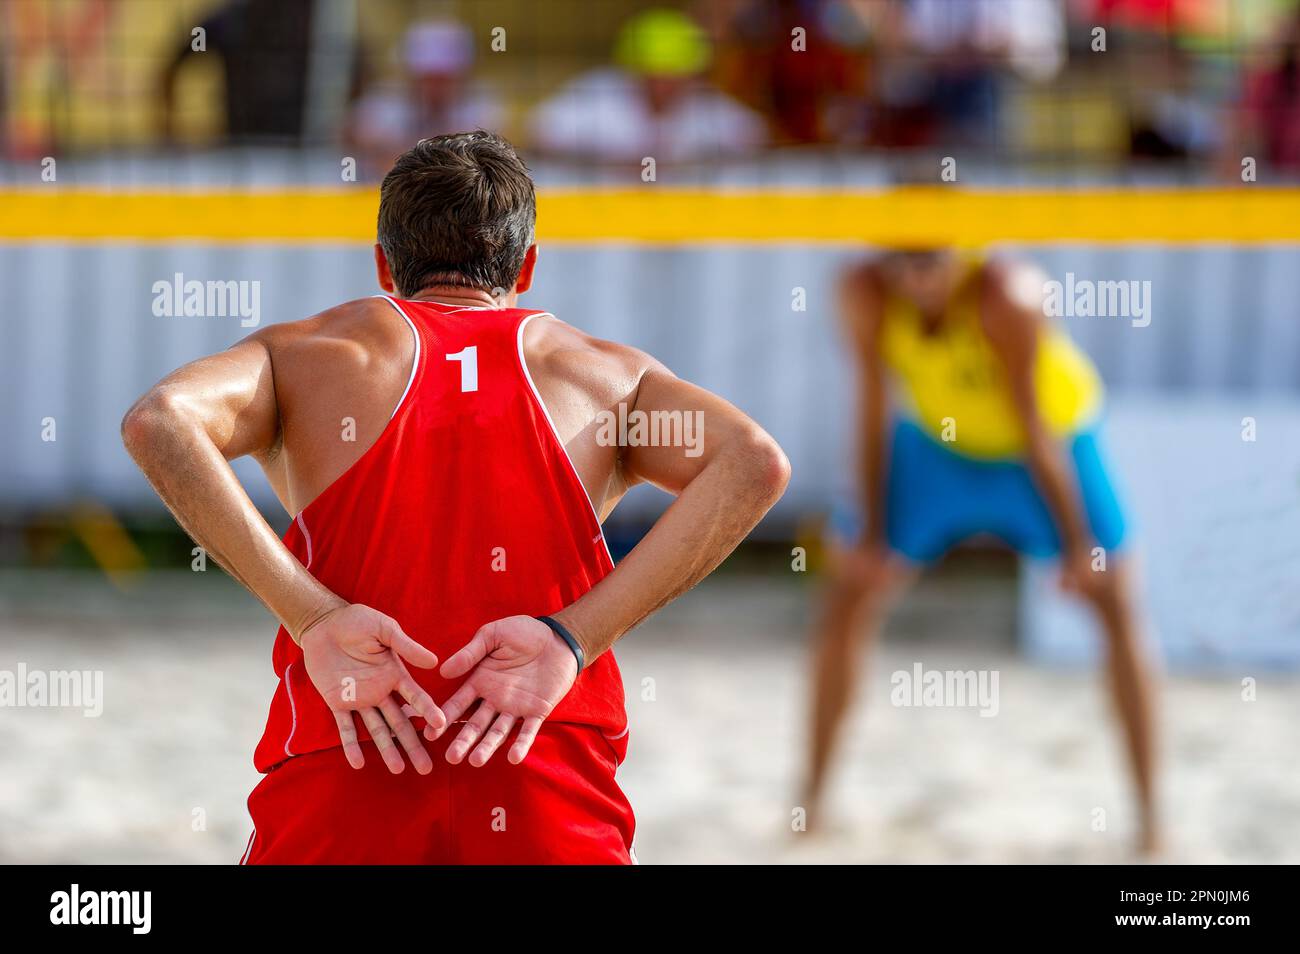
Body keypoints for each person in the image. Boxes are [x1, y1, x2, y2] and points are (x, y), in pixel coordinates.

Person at [121, 131, 789, 864]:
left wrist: (312, 617)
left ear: (384, 263)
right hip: (542, 760)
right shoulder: (605, 375)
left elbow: (159, 422)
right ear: (527, 266)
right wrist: (575, 637)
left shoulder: (309, 355)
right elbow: (753, 464)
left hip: (350, 754)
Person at [801, 248, 1159, 854]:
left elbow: (1032, 420)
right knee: (848, 593)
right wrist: (868, 532)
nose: (916, 274)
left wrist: (1077, 547)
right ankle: (810, 806)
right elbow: (871, 405)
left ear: (960, 252)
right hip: (942, 447)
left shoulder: (1006, 293)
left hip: (1042, 446)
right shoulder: (866, 288)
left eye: (930, 258)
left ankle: (1151, 821)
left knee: (1115, 598)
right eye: (903, 258)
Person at [527, 8, 767, 163]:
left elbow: (757, 137)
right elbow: (538, 134)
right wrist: (612, 159)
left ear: (692, 77)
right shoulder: (599, 94)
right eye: (652, 75)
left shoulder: (705, 106)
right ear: (631, 70)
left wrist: (689, 161)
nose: (662, 86)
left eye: (673, 76)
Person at [347, 21, 505, 179]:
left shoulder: (483, 109)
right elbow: (362, 147)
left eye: (444, 79)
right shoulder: (380, 107)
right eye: (427, 78)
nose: (434, 87)